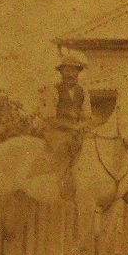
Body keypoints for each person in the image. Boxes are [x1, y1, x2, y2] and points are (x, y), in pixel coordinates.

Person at [37, 50, 93, 200]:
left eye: (74, 70)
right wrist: (72, 127)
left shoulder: (83, 92)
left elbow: (86, 115)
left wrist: (84, 125)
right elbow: (49, 118)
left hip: (75, 131)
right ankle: (60, 188)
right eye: (67, 70)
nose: (71, 74)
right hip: (56, 131)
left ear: (78, 73)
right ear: (62, 72)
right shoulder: (53, 90)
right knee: (64, 148)